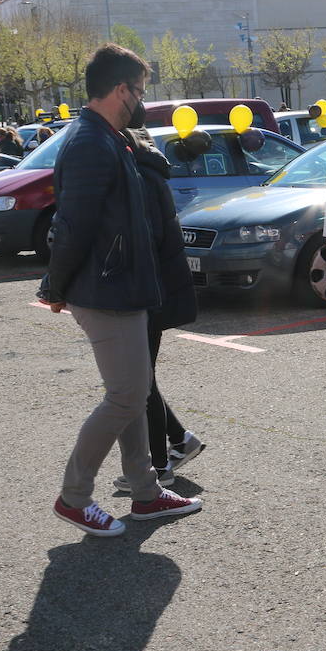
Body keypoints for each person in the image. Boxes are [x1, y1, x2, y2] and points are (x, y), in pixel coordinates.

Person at [42, 43, 202, 536]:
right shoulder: (91, 142)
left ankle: (146, 494)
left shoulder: (110, 137)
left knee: (131, 393)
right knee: (127, 396)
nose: (141, 100)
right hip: (106, 291)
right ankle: (74, 497)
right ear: (119, 90)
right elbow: (72, 225)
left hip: (121, 287)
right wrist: (55, 286)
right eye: (138, 90)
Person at [112, 126, 205, 493]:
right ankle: (180, 440)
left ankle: (161, 465)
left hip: (148, 293)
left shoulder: (139, 178)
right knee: (143, 378)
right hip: (155, 291)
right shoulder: (148, 172)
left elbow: (141, 242)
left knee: (139, 381)